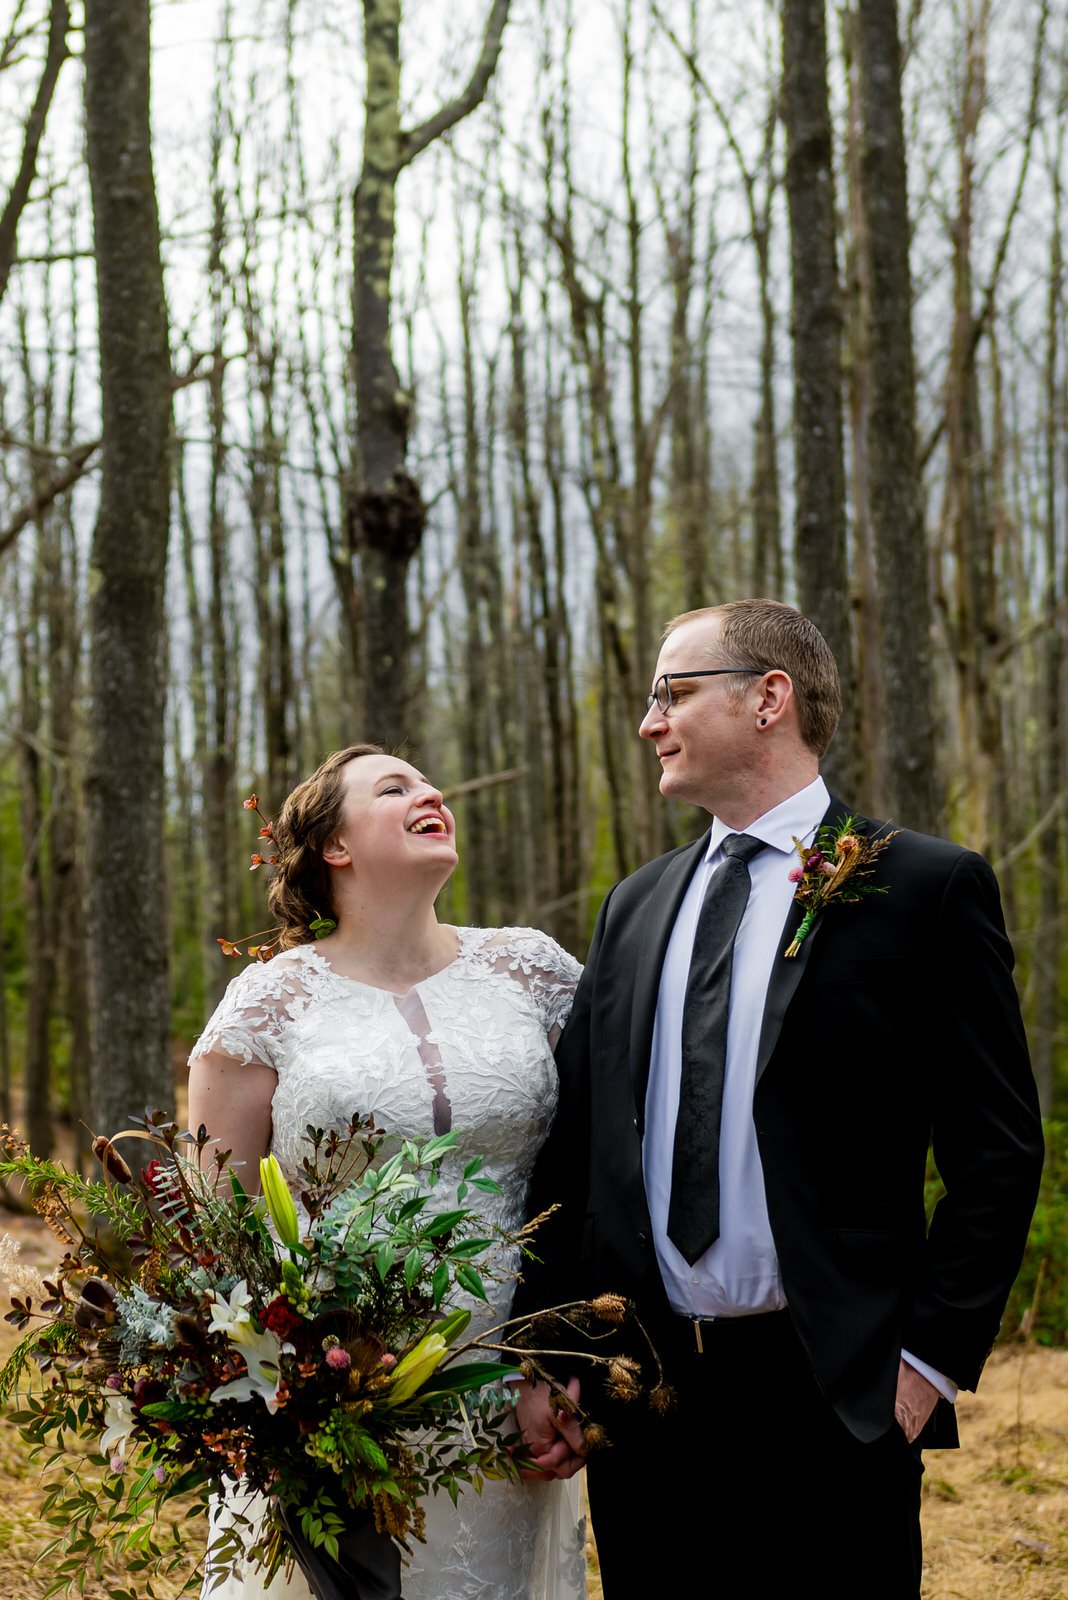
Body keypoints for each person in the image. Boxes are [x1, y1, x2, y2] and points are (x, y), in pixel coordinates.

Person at [515, 599, 1044, 1599]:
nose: (648, 721)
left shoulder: (925, 888)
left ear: (769, 697)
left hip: (837, 1386)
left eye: (673, 692)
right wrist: (555, 1352)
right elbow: (578, 1148)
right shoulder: (635, 904)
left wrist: (926, 1362)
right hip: (649, 1391)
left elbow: (999, 1152)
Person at [187, 743, 587, 1600]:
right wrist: (291, 1389)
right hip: (335, 1397)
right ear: (334, 846)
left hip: (510, 1388)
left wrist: (557, 1363)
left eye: (430, 781)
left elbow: (591, 1173)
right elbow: (215, 1221)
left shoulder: (534, 971)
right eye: (394, 786)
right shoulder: (271, 999)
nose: (432, 790)